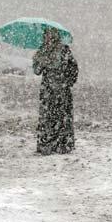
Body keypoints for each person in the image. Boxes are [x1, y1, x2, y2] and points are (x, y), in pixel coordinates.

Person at [32, 27, 79, 155]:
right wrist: (39, 61)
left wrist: (67, 81)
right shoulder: (42, 51)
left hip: (62, 89)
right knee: (48, 116)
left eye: (49, 35)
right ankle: (47, 144)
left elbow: (73, 68)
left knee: (62, 116)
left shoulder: (64, 50)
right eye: (45, 35)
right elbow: (36, 71)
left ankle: (63, 144)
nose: (47, 38)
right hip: (48, 90)